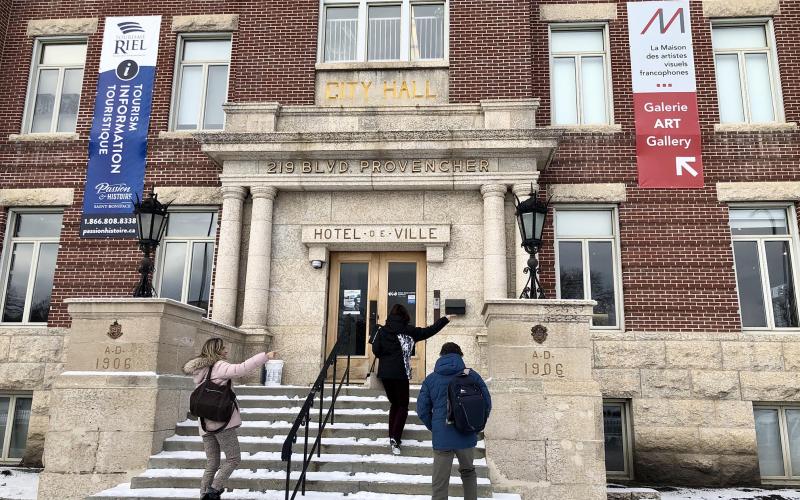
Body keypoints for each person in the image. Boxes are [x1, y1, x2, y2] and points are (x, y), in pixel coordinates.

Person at [183, 338, 276, 500]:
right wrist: (265, 356)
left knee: (212, 462)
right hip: (220, 421)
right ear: (216, 350)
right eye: (223, 348)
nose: (226, 350)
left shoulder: (201, 369)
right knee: (233, 458)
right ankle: (213, 490)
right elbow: (241, 369)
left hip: (204, 421)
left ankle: (204, 495)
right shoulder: (219, 366)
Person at [371, 304, 452, 455]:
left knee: (395, 404)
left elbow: (376, 350)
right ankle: (395, 437)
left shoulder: (382, 330)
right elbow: (429, 331)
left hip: (385, 374)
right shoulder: (408, 330)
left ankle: (392, 435)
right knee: (402, 405)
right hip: (401, 373)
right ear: (405, 316)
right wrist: (445, 320)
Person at [416, 342, 491, 500]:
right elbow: (487, 403)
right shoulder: (471, 375)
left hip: (442, 436)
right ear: (460, 355)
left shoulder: (431, 379)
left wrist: (435, 427)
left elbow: (422, 410)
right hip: (466, 433)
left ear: (441, 356)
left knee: (440, 481)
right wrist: (475, 426)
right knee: (469, 472)